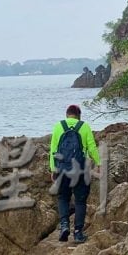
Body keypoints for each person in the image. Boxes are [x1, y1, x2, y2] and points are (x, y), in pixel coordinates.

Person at [49, 104, 99, 243]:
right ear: (79, 115)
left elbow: (53, 150)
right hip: (80, 169)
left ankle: (64, 225)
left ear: (67, 115)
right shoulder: (84, 126)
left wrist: (53, 169)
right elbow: (92, 147)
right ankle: (78, 233)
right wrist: (99, 163)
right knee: (80, 200)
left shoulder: (58, 126)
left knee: (63, 198)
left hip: (62, 168)